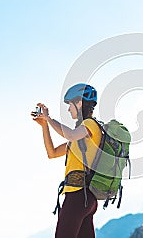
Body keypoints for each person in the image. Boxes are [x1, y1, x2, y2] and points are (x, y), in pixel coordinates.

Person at [31, 83, 102, 238]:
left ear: (79, 103)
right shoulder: (81, 138)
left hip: (77, 196)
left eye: (70, 104)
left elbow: (70, 134)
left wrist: (49, 118)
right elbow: (52, 153)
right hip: (87, 198)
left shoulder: (90, 125)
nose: (69, 109)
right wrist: (44, 126)